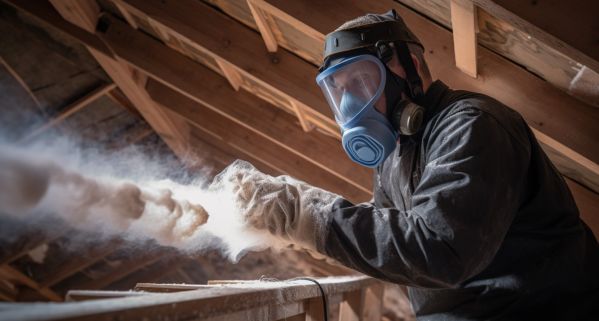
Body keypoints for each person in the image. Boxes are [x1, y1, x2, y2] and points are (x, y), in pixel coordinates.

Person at [210, 9, 599, 320]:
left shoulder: (472, 126)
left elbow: (439, 248)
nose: (349, 106)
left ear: (408, 67)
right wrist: (298, 224)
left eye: (360, 82)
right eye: (338, 90)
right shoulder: (396, 155)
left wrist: (307, 215)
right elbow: (393, 233)